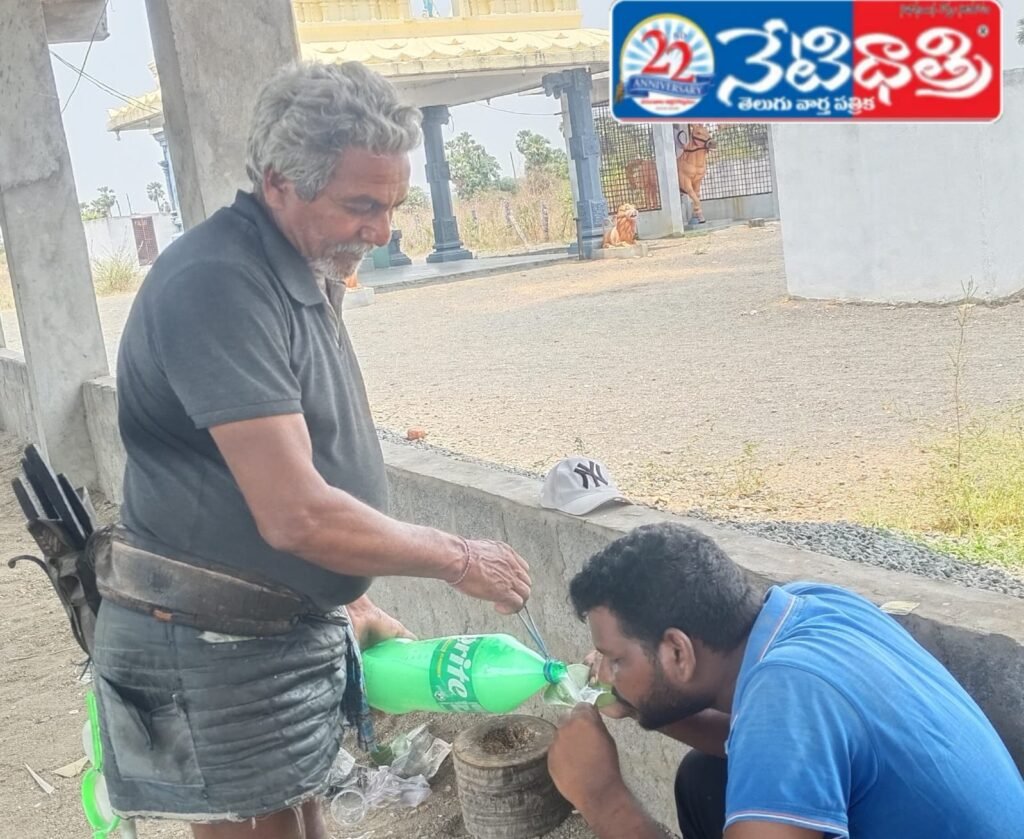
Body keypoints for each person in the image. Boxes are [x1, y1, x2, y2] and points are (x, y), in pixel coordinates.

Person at [92, 60, 532, 839]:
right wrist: (455, 556)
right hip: (208, 641)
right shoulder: (220, 284)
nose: (381, 230)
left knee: (299, 817)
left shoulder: (303, 268)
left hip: (275, 627)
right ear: (278, 183)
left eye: (391, 205)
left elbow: (299, 461)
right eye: (360, 205)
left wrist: (349, 597)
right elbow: (294, 511)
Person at [547, 523, 1024, 839]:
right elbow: (762, 739)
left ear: (677, 651)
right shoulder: (811, 604)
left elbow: (781, 732)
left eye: (614, 659)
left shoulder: (787, 700)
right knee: (705, 779)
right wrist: (643, 704)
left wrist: (601, 797)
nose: (603, 671)